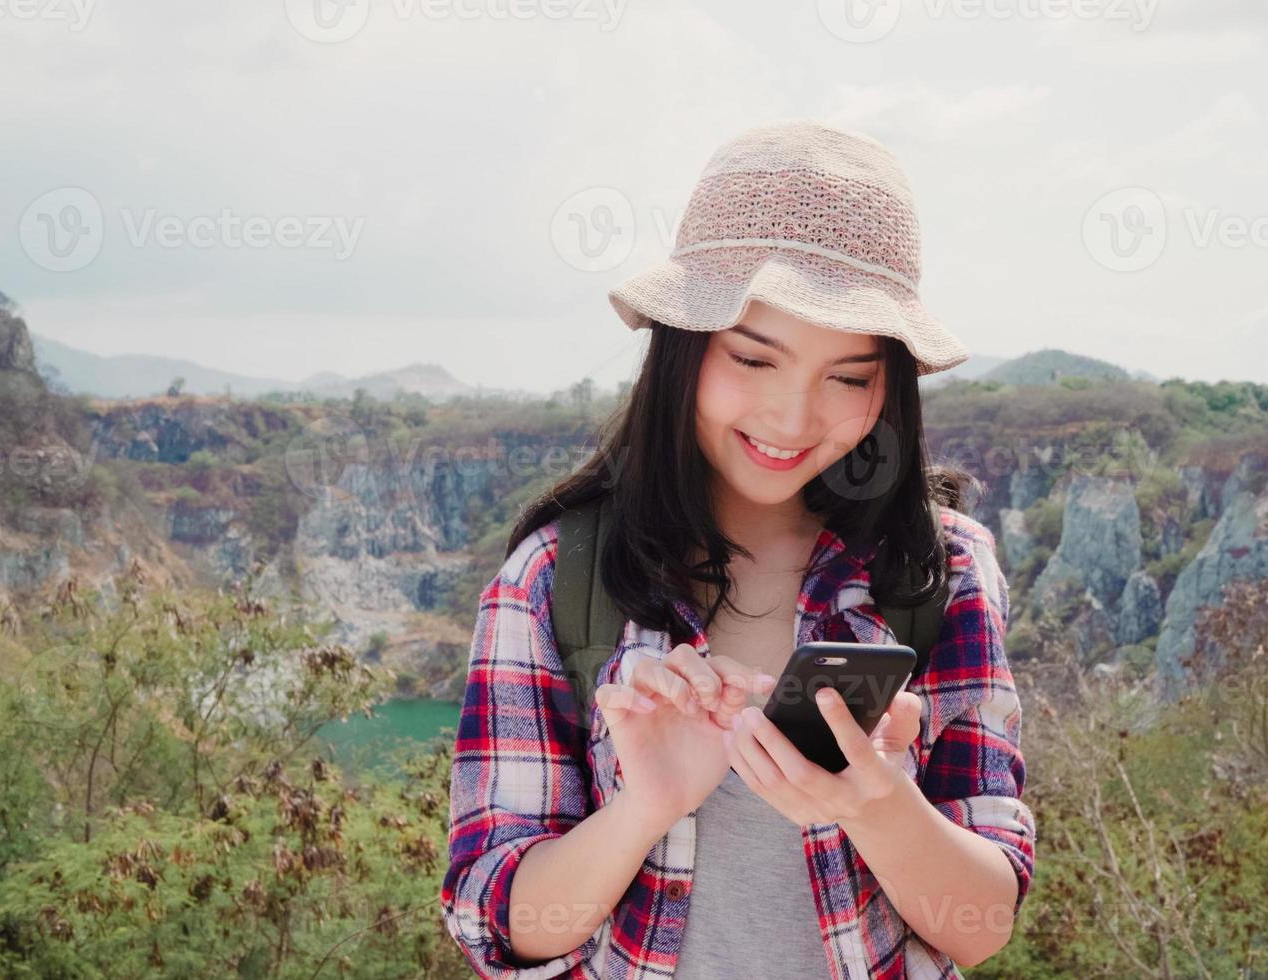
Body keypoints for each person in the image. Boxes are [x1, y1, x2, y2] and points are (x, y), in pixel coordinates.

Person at [440, 119, 1034, 980]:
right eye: (755, 360)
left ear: (890, 385)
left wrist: (877, 801)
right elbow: (499, 923)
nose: (793, 420)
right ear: (684, 349)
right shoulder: (555, 577)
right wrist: (644, 806)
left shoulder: (938, 571)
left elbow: (982, 926)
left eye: (849, 376)